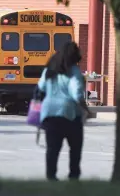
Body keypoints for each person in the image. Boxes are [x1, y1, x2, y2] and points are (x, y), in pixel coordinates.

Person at [37, 41, 90, 181]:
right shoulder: (73, 71)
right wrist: (87, 110)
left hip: (49, 113)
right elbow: (77, 93)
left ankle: (51, 176)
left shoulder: (49, 69)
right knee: (75, 148)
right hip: (70, 114)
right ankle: (73, 176)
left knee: (52, 149)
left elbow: (40, 88)